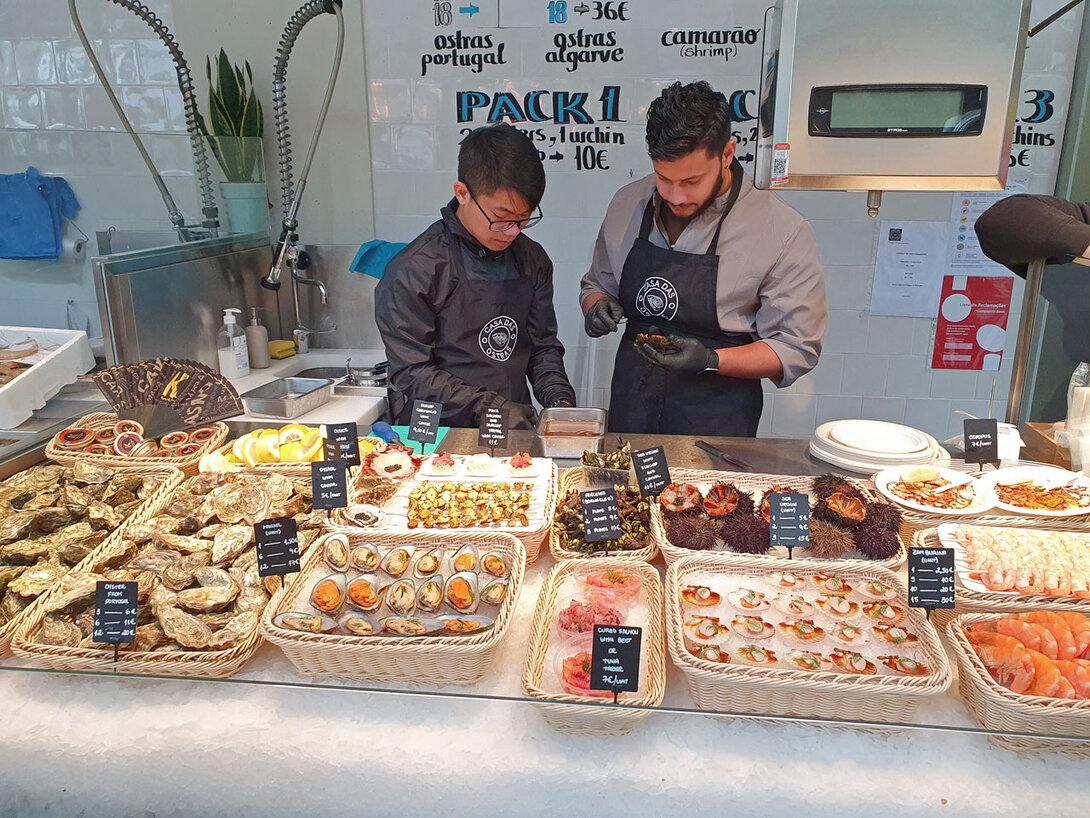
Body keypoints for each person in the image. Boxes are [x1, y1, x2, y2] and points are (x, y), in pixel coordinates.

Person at [579, 81, 826, 436]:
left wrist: (711, 359)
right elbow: (597, 283)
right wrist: (595, 305)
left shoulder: (782, 230)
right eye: (664, 179)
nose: (676, 196)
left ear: (727, 154)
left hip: (716, 426)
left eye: (692, 181)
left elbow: (795, 347)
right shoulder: (625, 204)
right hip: (631, 413)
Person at [375, 123, 577, 429]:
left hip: (511, 430)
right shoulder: (414, 269)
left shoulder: (532, 259)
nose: (512, 232)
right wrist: (491, 408)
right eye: (501, 219)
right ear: (463, 193)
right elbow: (412, 372)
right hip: (437, 432)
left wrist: (558, 399)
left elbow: (542, 347)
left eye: (524, 220)